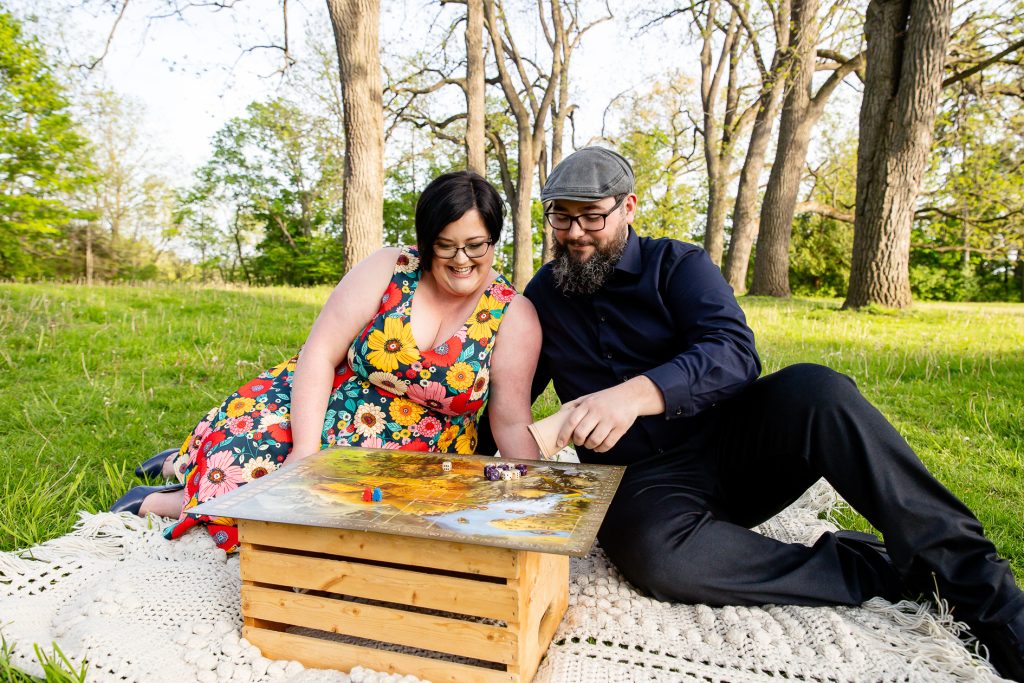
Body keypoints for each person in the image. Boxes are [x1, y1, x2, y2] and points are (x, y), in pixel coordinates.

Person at [497, 146, 1024, 680]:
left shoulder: (678, 265)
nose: (575, 233)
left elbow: (734, 353)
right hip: (642, 485)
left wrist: (633, 395)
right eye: (562, 217)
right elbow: (507, 396)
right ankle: (883, 570)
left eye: (592, 217)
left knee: (818, 389)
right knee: (660, 561)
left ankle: (982, 589)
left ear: (628, 207)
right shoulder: (541, 296)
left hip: (734, 447)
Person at [113, 170, 542, 552]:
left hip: (415, 456)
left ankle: (181, 474)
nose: (461, 259)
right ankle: (164, 494)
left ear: (494, 239)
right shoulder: (391, 267)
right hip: (322, 404)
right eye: (445, 246)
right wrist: (305, 450)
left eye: (475, 245)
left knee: (305, 521)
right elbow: (319, 352)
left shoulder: (512, 314)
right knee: (246, 468)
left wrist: (537, 495)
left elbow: (510, 422)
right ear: (426, 240)